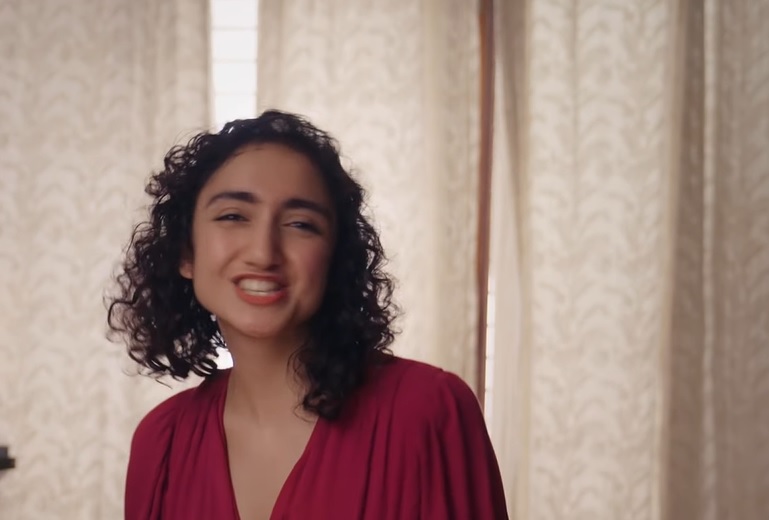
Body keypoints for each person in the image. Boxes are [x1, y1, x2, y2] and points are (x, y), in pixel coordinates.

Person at [108, 110, 508, 519]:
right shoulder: (160, 445)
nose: (263, 252)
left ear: (334, 258)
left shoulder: (428, 411)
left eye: (300, 224)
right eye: (233, 216)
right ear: (186, 252)